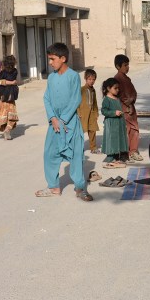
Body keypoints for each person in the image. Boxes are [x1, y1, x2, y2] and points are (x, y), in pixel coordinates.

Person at [36, 43, 93, 201]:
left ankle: (80, 187)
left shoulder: (73, 76)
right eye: (49, 59)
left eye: (52, 59)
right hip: (54, 123)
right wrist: (53, 118)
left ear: (63, 58)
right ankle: (53, 186)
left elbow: (76, 99)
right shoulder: (52, 77)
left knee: (75, 155)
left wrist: (62, 120)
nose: (50, 62)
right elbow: (46, 98)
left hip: (69, 123)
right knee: (49, 154)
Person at [113, 54, 141, 161]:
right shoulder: (117, 79)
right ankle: (130, 151)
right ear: (118, 66)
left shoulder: (127, 78)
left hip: (131, 107)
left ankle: (132, 151)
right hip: (124, 109)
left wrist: (132, 100)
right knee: (129, 130)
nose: (127, 67)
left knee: (133, 129)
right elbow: (119, 94)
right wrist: (128, 104)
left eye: (128, 65)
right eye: (125, 65)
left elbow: (133, 92)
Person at [100, 78, 129, 169]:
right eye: (115, 88)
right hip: (111, 123)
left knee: (118, 138)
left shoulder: (116, 98)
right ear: (109, 88)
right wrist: (113, 113)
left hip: (119, 122)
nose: (117, 90)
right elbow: (104, 111)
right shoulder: (107, 99)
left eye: (118, 88)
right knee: (112, 139)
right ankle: (110, 157)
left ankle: (117, 156)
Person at [0, 55, 19, 140]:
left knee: (3, 114)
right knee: (11, 115)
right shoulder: (15, 71)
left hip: (3, 96)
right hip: (12, 96)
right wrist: (12, 82)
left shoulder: (3, 72)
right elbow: (14, 81)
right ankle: (7, 130)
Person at [77, 68, 100, 153]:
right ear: (85, 79)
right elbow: (76, 101)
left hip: (92, 113)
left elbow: (95, 102)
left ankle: (93, 147)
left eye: (93, 79)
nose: (91, 81)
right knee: (81, 131)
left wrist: (96, 112)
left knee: (92, 130)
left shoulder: (93, 90)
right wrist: (78, 112)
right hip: (83, 114)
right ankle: (78, 148)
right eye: (89, 79)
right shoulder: (81, 89)